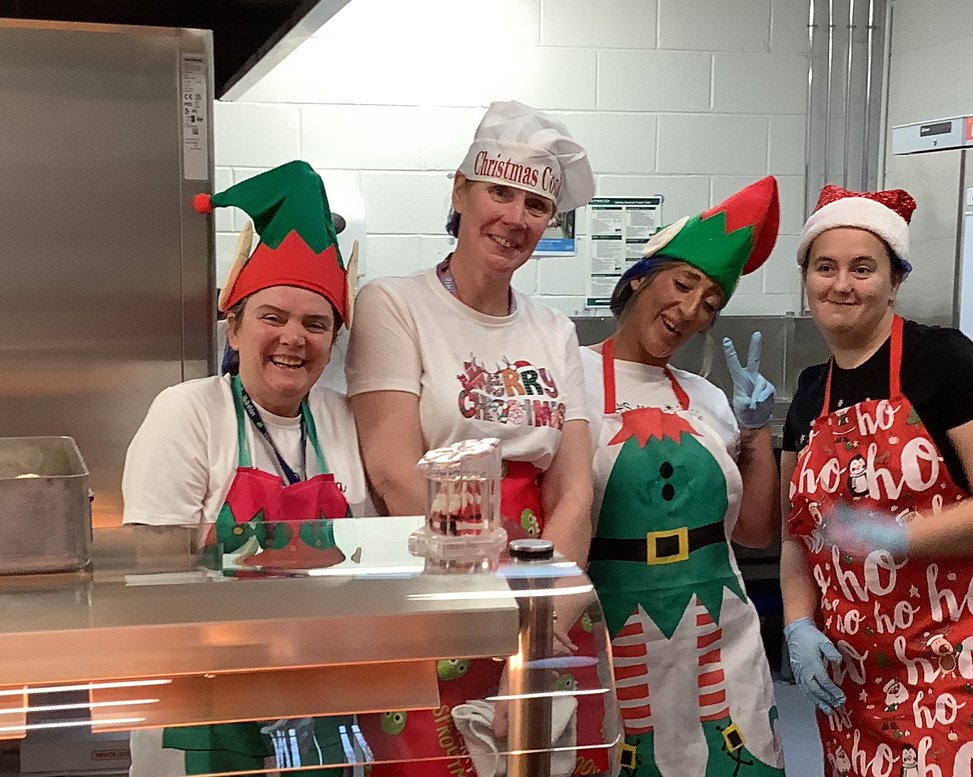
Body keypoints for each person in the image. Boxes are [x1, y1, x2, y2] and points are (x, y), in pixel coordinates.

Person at [345, 100, 596, 776]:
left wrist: (537, 640)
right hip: (436, 592)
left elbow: (573, 493)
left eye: (537, 204)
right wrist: (487, 619)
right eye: (500, 191)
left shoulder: (555, 332)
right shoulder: (393, 304)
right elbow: (395, 470)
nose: (516, 217)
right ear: (460, 190)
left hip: (544, 597)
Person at [122, 160, 369, 775]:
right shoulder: (189, 411)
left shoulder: (344, 418)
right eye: (272, 317)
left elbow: (371, 564)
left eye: (316, 323)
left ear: (333, 340)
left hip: (322, 700)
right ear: (233, 328)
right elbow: (157, 574)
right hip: (205, 699)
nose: (294, 337)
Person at [779, 185, 973, 776]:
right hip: (853, 673)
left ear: (895, 280)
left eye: (863, 268)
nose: (842, 284)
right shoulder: (811, 391)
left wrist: (903, 537)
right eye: (825, 267)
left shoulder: (945, 362)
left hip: (958, 661)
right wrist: (797, 624)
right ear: (807, 279)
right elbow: (797, 537)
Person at [582, 176, 786, 777]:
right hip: (616, 633)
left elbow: (752, 532)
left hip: (720, 631)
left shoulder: (707, 398)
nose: (692, 309)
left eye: (712, 302)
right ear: (641, 276)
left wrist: (757, 431)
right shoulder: (569, 380)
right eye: (684, 283)